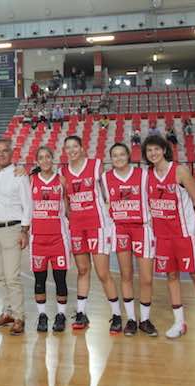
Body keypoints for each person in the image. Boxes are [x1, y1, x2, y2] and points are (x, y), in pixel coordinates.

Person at [143, 135, 195, 344]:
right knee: (171, 277)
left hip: (185, 234)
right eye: (149, 150)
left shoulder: (179, 171)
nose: (153, 153)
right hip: (163, 236)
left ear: (164, 150)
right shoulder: (148, 175)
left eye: (156, 149)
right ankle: (179, 322)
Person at [62, 136, 122, 333]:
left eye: (75, 146)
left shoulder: (96, 165)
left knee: (103, 272)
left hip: (97, 225)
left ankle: (116, 315)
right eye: (68, 147)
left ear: (82, 147)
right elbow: (66, 201)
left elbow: (111, 189)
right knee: (82, 270)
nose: (72, 150)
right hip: (77, 227)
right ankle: (81, 313)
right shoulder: (63, 173)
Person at [101, 143, 158, 337]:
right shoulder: (105, 178)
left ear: (128, 155)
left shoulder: (143, 175)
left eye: (121, 154)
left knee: (146, 277)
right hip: (121, 229)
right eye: (114, 155)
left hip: (142, 228)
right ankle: (132, 319)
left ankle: (145, 319)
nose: (118, 158)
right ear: (111, 159)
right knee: (126, 275)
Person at [0, 139, 32, 336]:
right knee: (1, 277)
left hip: (12, 229)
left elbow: (27, 204)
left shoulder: (19, 175)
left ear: (12, 153)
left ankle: (20, 316)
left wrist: (24, 230)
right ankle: (8, 312)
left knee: (13, 277)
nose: (1, 154)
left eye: (5, 151)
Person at [30, 146, 71, 333]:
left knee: (60, 279)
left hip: (58, 238)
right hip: (37, 238)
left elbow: (69, 208)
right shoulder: (30, 180)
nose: (45, 160)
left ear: (53, 159)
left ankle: (61, 315)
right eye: (41, 157)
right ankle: (42, 315)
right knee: (39, 279)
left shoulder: (61, 180)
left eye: (48, 157)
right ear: (37, 161)